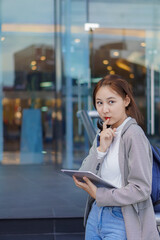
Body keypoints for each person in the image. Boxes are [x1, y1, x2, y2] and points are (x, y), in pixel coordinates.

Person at [73, 74, 159, 240]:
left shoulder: (134, 135)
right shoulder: (102, 134)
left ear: (126, 101)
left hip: (122, 218)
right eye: (99, 103)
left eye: (111, 102)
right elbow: (83, 174)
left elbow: (141, 189)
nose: (104, 109)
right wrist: (101, 149)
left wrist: (100, 195)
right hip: (96, 215)